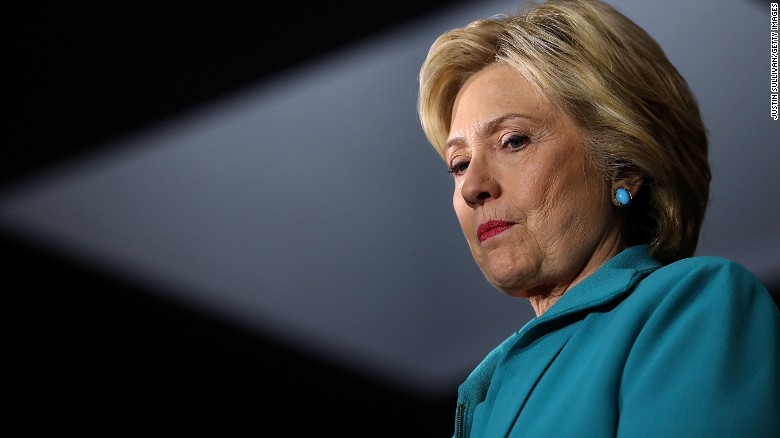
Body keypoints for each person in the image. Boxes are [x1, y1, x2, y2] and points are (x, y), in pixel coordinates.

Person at [416, 0, 780, 436]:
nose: (472, 186)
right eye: (458, 164)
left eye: (513, 141)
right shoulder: (487, 391)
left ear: (622, 164)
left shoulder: (690, 306)